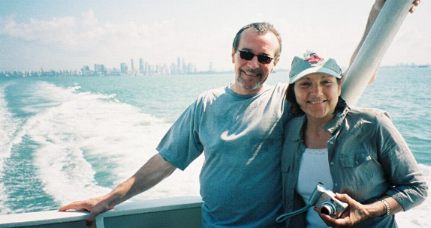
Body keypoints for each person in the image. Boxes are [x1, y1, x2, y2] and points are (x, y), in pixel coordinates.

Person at [60, 22, 291, 227]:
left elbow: (323, 113)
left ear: (275, 63)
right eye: (246, 54)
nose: (253, 64)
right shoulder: (206, 104)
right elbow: (165, 161)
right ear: (233, 54)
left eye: (264, 58)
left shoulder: (285, 100)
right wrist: (109, 199)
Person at [279, 51, 428, 227]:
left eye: (326, 82)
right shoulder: (289, 130)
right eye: (305, 84)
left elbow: (417, 188)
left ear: (339, 86)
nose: (317, 92)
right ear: (293, 91)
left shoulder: (373, 124)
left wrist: (367, 211)